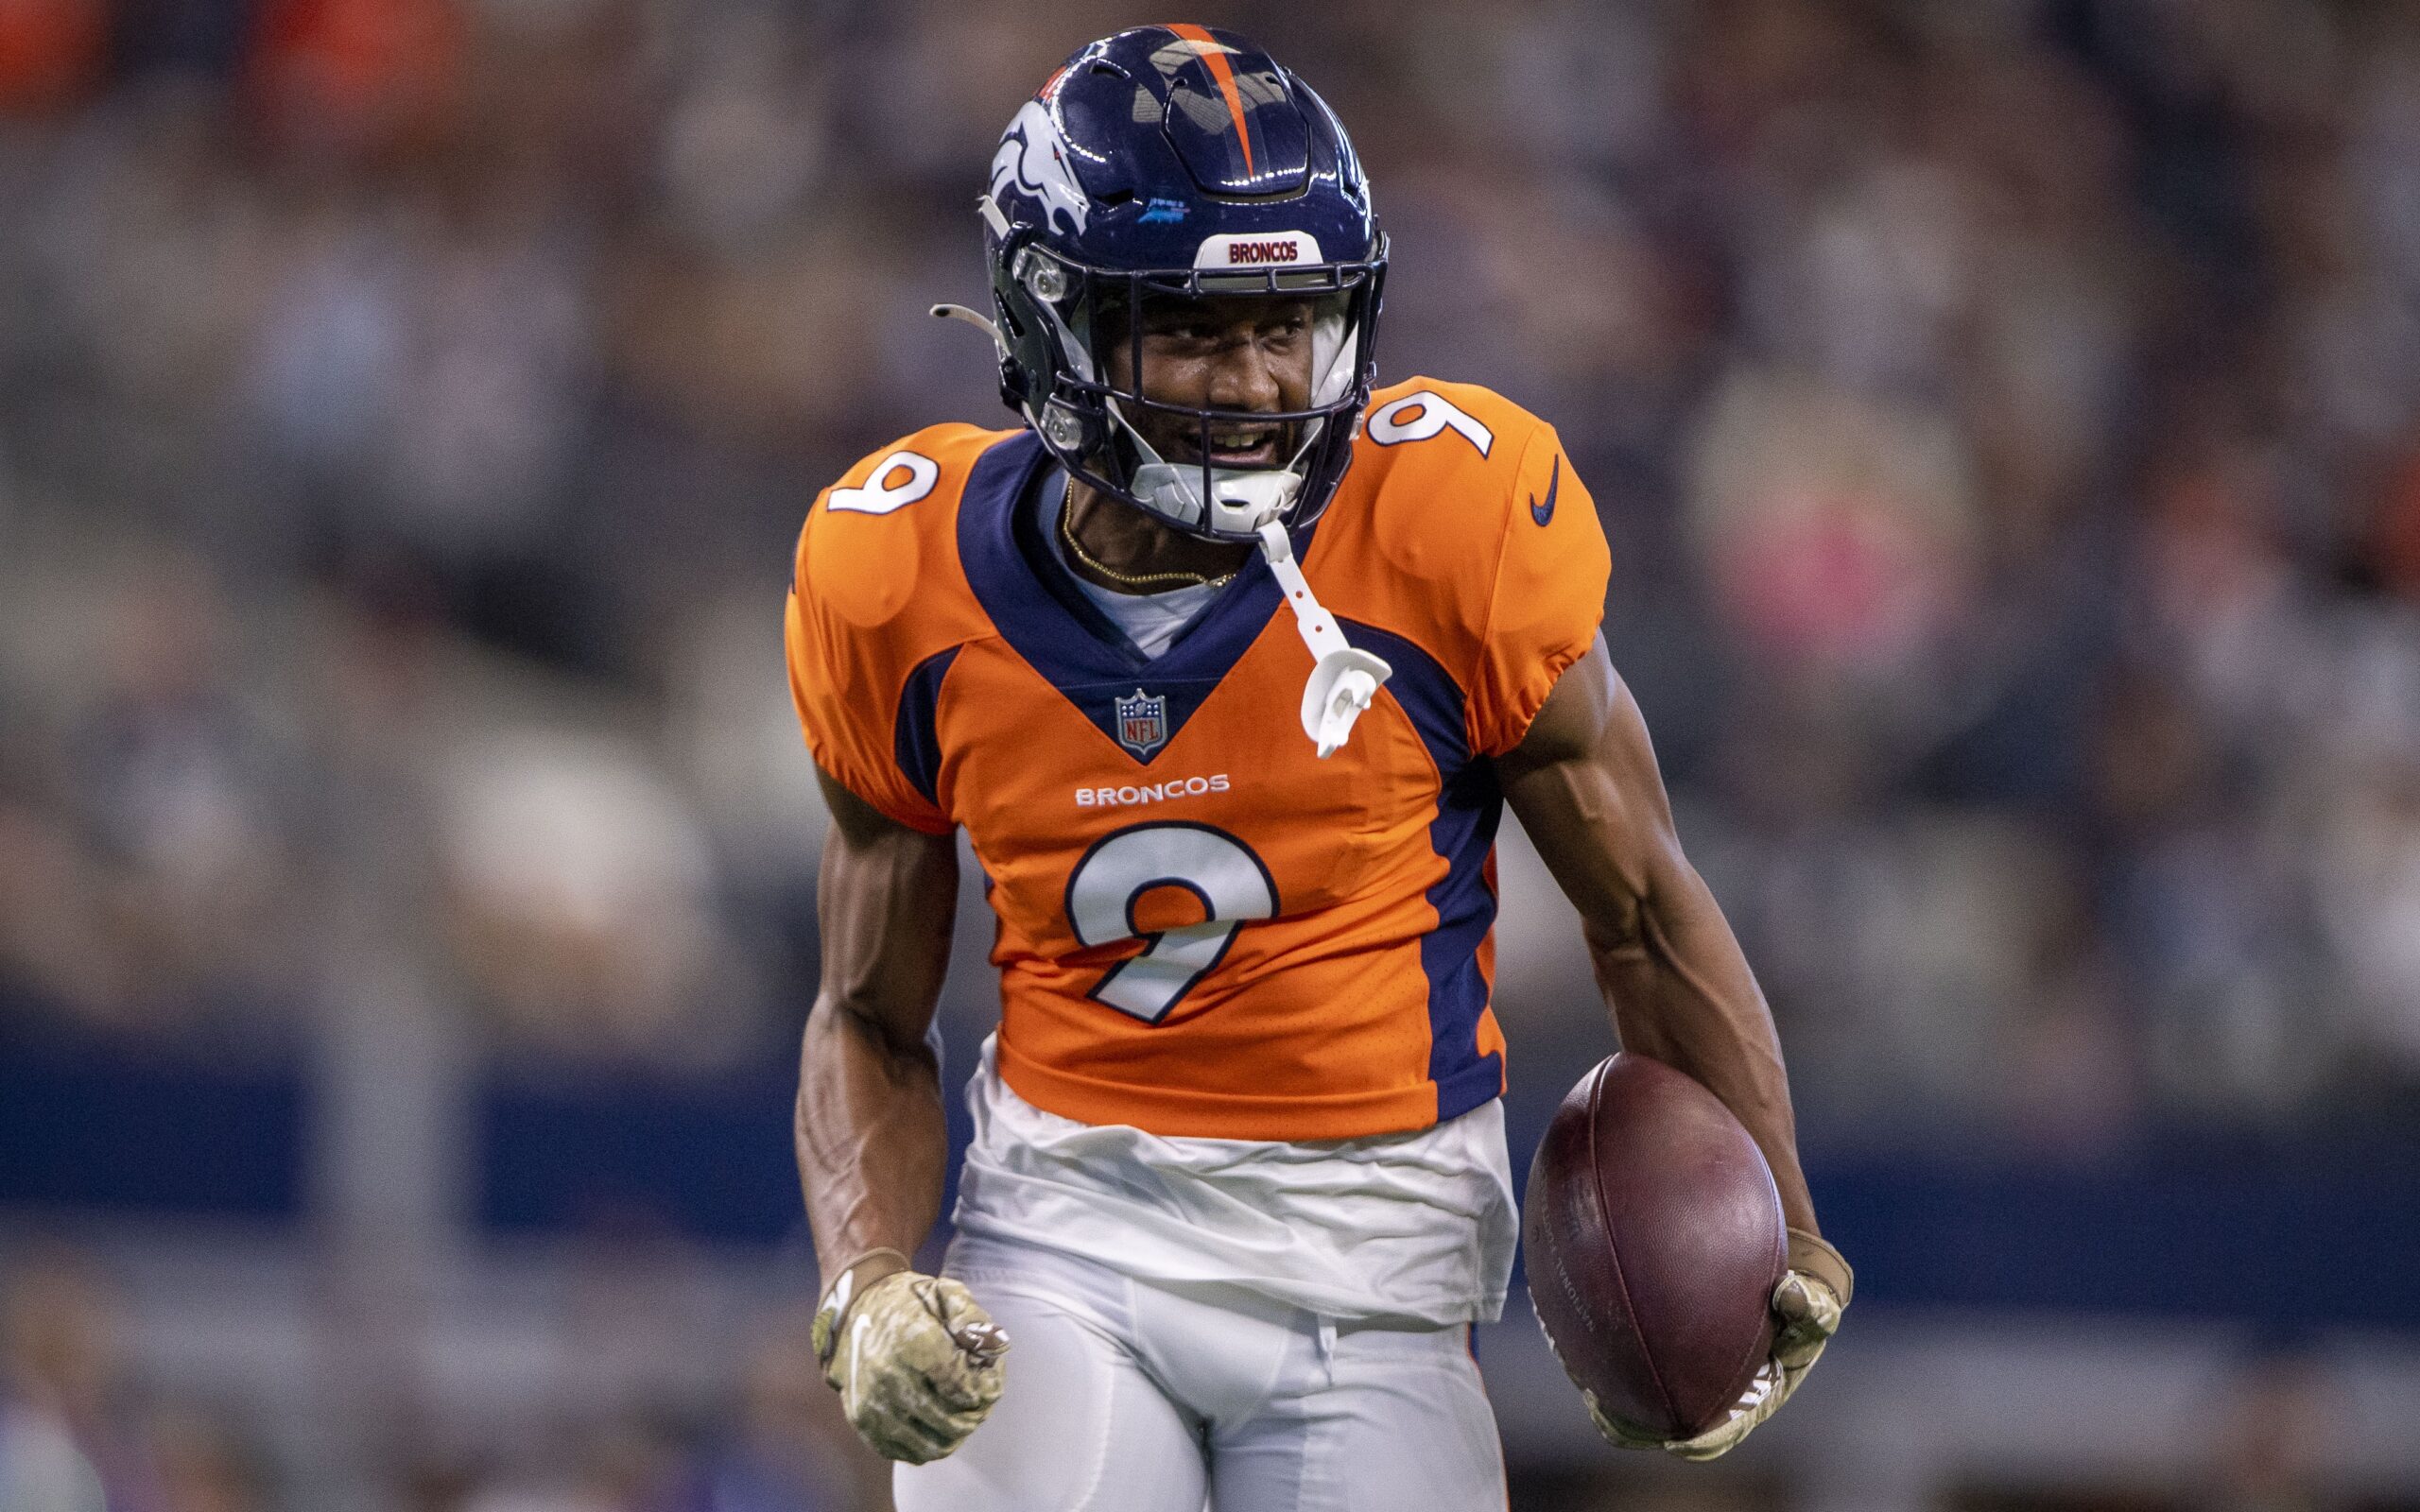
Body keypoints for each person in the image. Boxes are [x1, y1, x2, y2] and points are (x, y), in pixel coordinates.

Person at [783, 25, 1850, 1511]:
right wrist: (868, 1280)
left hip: (1385, 1272)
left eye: (1289, 325)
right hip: (1071, 1237)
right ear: (1056, 323)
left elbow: (1646, 913)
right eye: (1200, 329)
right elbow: (866, 1014)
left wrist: (1783, 1218)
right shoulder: (896, 574)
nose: (1258, 381)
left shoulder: (1447, 524)